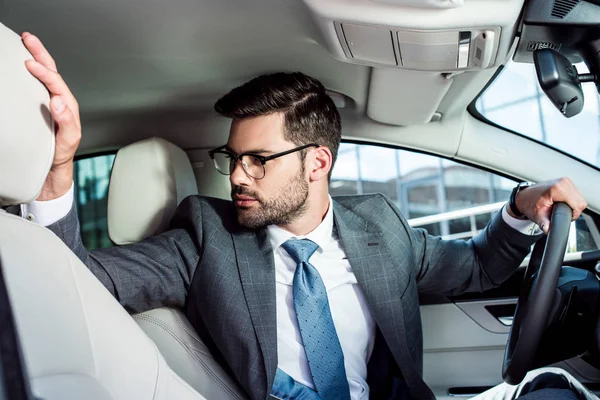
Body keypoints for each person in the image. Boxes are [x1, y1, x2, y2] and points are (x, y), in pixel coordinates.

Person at [19, 32, 593, 400]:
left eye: (257, 160)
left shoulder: (379, 225)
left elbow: (472, 268)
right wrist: (56, 169)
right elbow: (76, 286)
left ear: (318, 161)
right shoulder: (203, 234)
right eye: (233, 158)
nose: (238, 175)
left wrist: (521, 207)